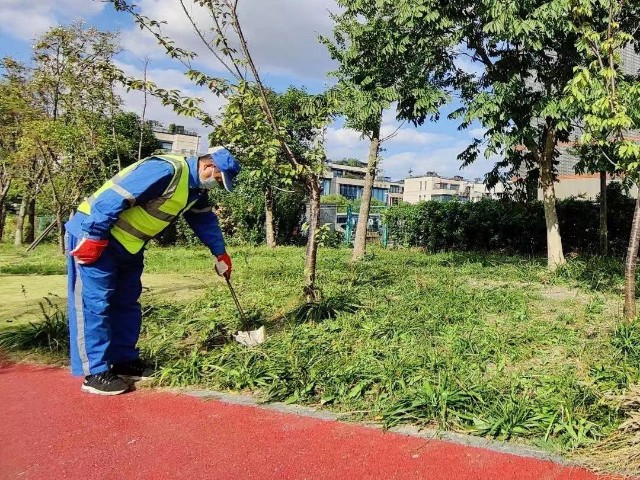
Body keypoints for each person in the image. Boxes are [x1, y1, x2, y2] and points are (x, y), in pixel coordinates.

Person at [65, 147, 240, 395]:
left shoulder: (195, 190)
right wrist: (93, 235)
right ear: (208, 166)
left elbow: (203, 220)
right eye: (219, 180)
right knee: (94, 303)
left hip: (129, 245)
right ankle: (95, 371)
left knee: (127, 301)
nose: (217, 185)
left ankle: (124, 359)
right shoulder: (165, 169)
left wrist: (220, 252)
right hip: (95, 235)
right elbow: (113, 198)